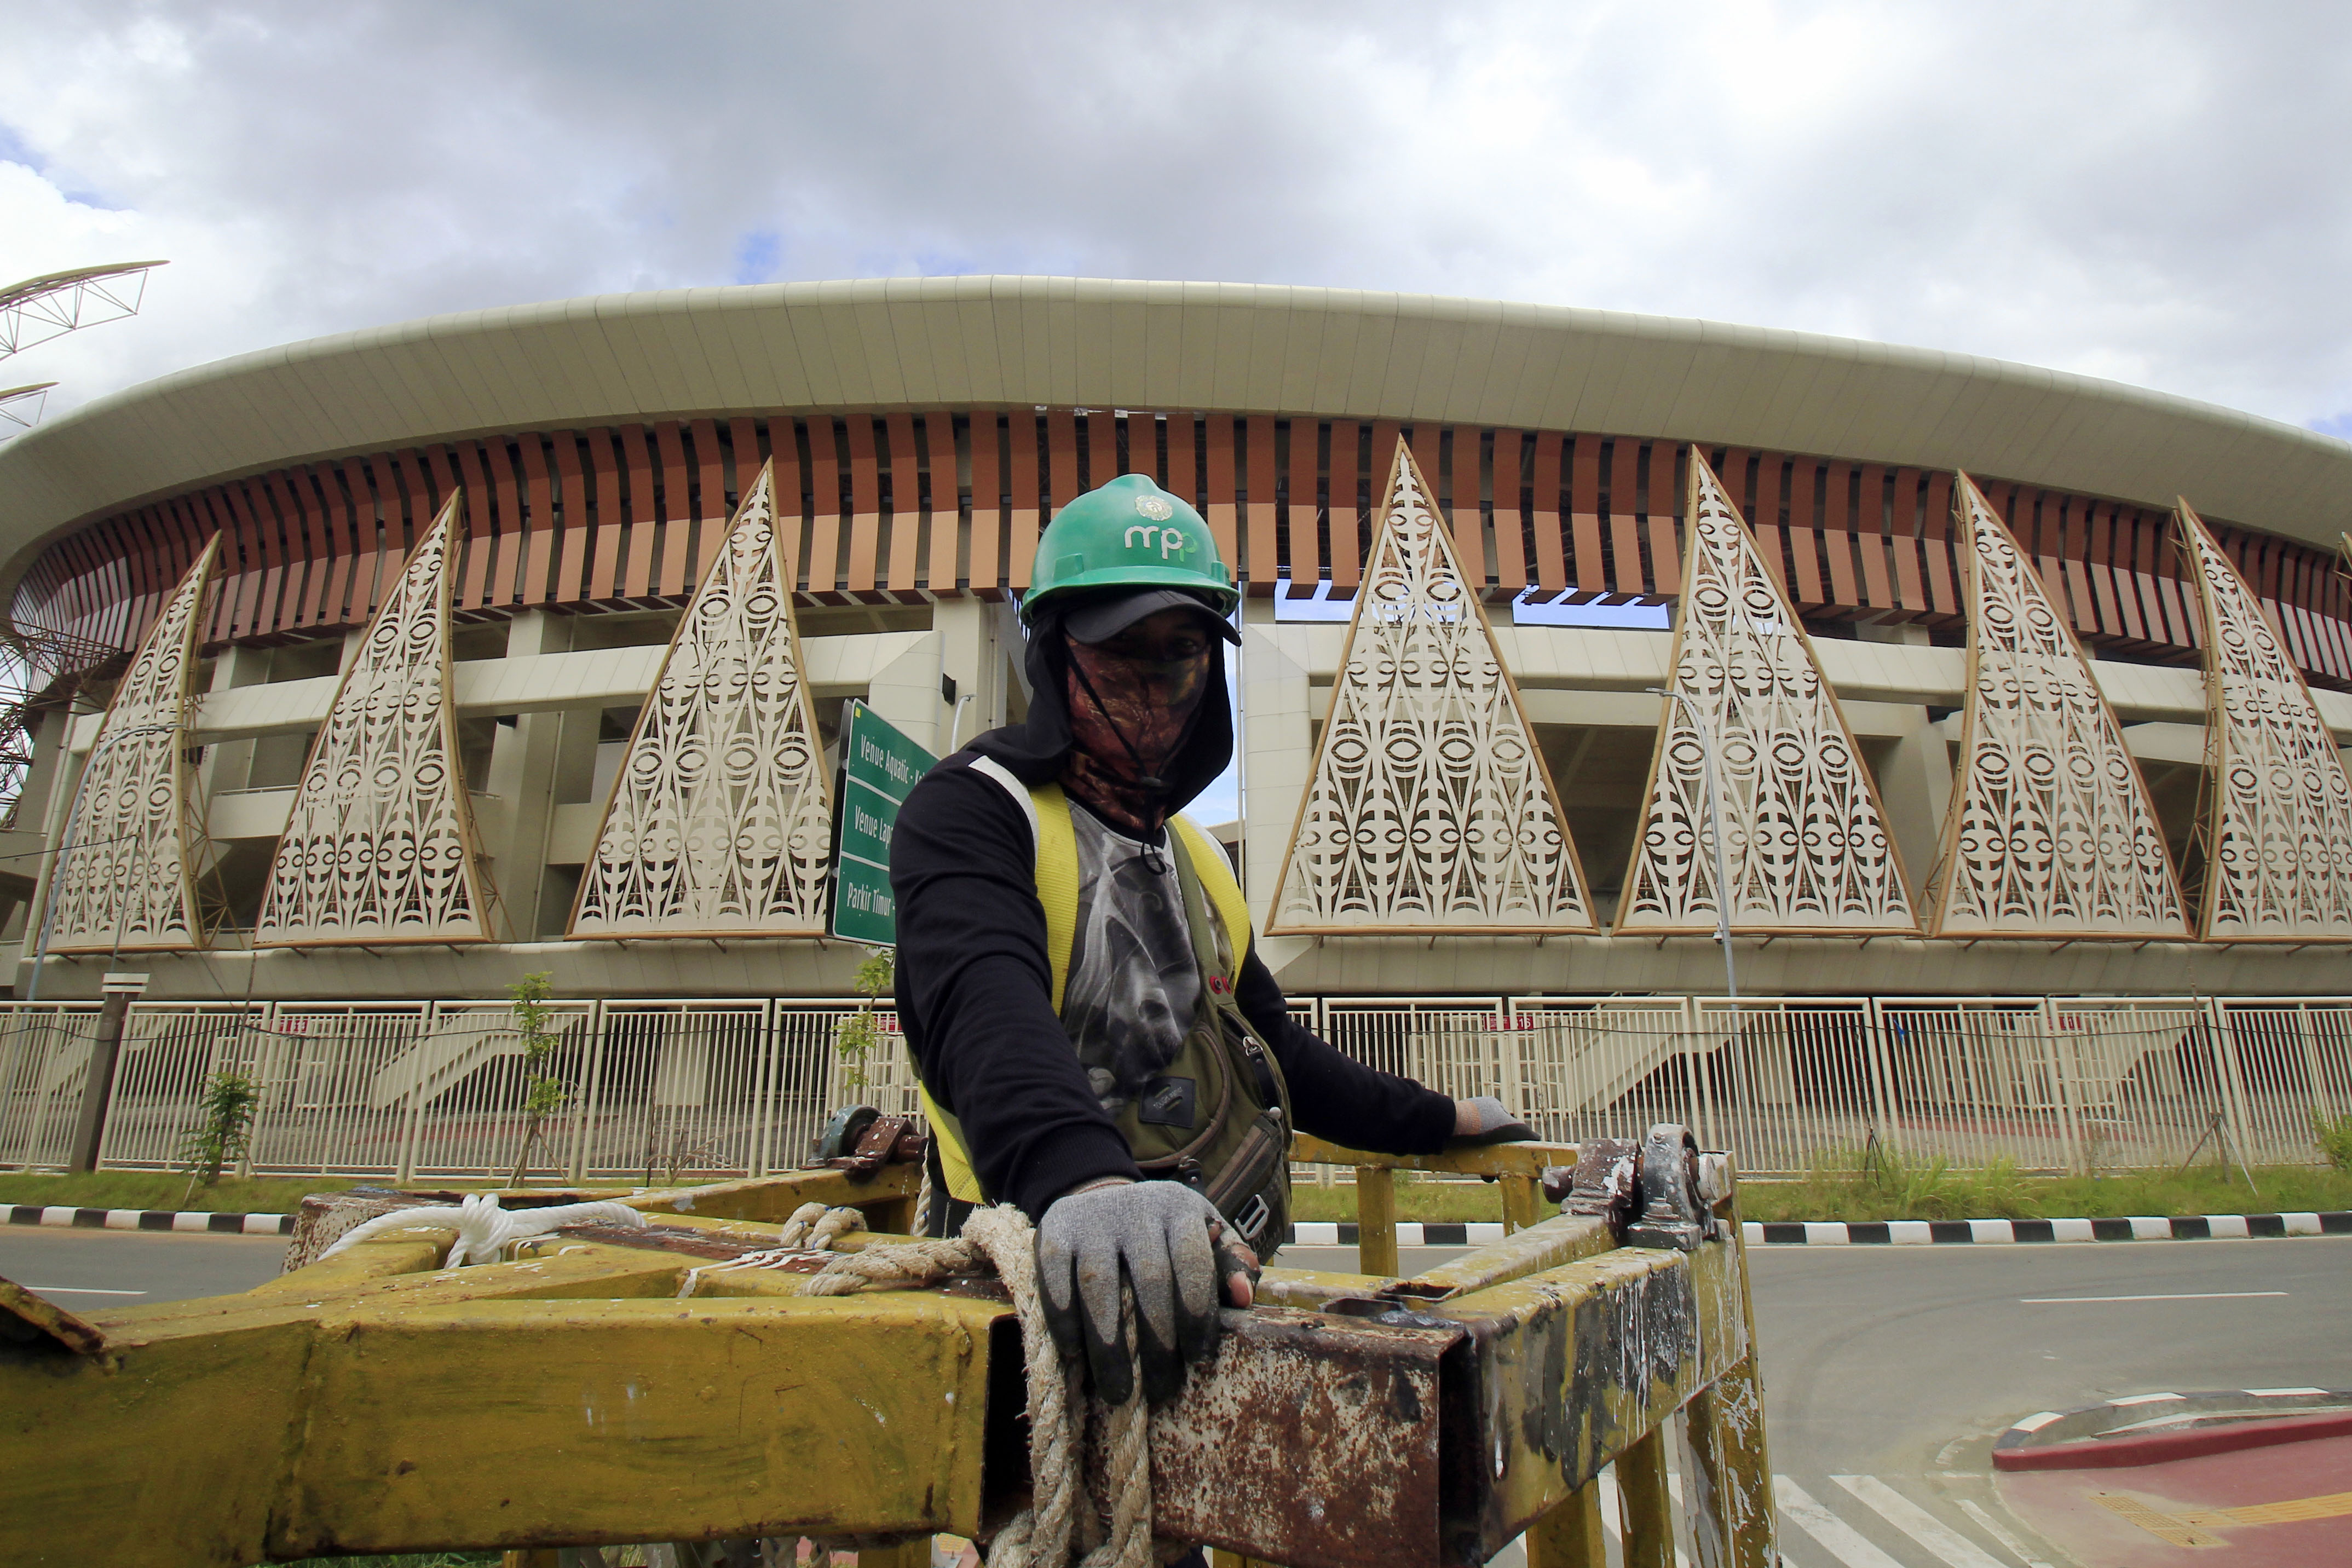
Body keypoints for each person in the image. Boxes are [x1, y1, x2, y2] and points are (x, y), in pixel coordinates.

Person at [890, 472, 1532, 1407]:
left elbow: (1276, 1052)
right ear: (1055, 656)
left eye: (1181, 656)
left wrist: (1442, 1120)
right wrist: (1086, 1184)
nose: (1153, 690)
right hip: (1019, 1296)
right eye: (1121, 654)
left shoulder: (1193, 855)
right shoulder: (975, 811)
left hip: (1205, 1289)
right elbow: (982, 1007)